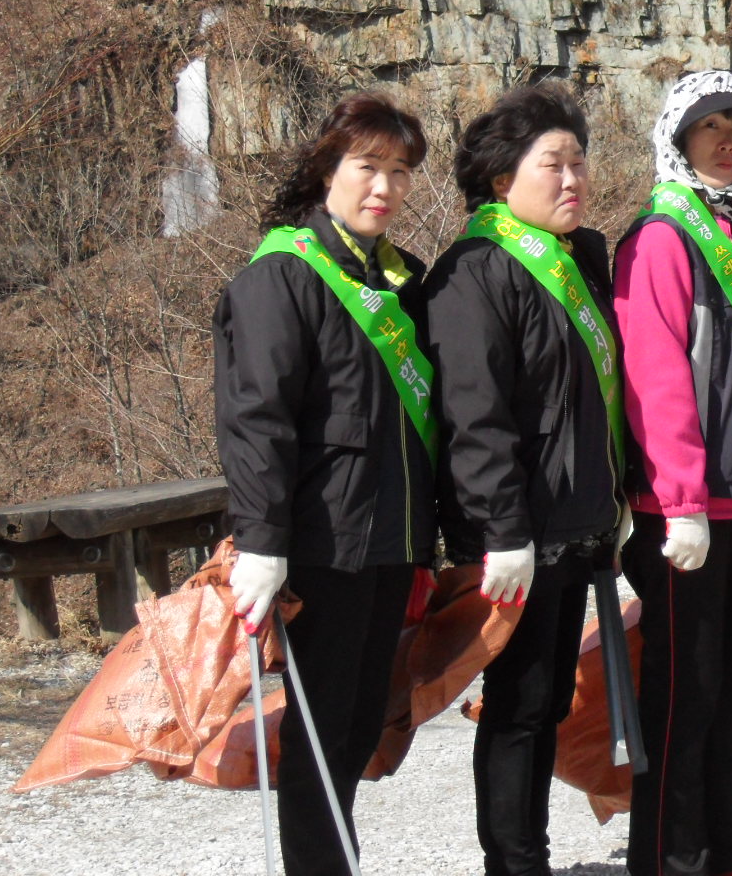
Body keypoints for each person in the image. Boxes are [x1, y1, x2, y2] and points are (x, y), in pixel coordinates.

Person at [215, 92, 434, 876]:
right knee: (318, 731)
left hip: (390, 541)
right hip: (322, 545)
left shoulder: (398, 281)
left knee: (357, 728)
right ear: (326, 170)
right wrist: (262, 542)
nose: (385, 187)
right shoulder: (282, 277)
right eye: (368, 167)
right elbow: (257, 420)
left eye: (400, 171)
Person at [425, 84, 632, 876]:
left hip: (574, 522)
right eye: (554, 164)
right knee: (515, 705)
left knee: (544, 703)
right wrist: (501, 531)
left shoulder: (579, 258)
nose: (573, 179)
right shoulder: (476, 271)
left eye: (579, 162)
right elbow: (474, 416)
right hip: (516, 534)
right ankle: (514, 862)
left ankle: (528, 856)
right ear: (502, 177)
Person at [613, 70, 732, 876]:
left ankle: (727, 851)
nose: (727, 142)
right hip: (687, 511)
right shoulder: (663, 238)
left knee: (728, 691)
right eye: (710, 126)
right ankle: (667, 857)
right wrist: (681, 500)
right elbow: (654, 377)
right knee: (681, 696)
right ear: (678, 137)